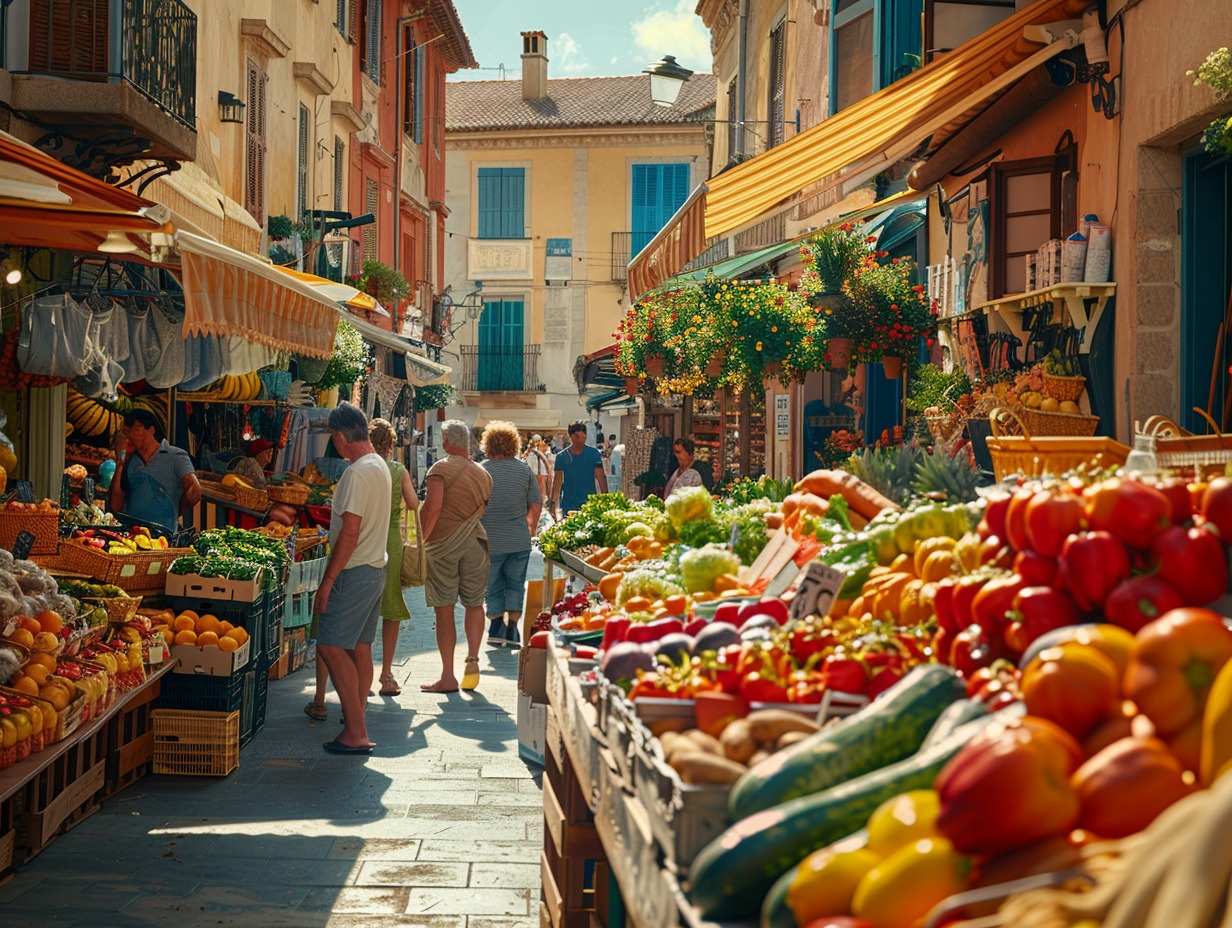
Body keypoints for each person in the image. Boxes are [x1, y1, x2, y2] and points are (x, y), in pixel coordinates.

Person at [312, 402, 391, 754]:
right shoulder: (380, 465)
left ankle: (356, 732)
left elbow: (350, 532)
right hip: (374, 569)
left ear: (343, 438)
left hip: (355, 570)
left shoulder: (357, 472)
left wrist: (327, 582)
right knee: (360, 647)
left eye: (334, 439)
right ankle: (355, 720)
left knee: (329, 645)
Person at [420, 419, 493, 693]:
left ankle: (448, 676)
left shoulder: (439, 469)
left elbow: (433, 508)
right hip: (475, 541)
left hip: (443, 546)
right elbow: (480, 512)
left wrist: (423, 540)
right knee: (475, 604)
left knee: (445, 608)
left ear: (447, 442)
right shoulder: (483, 474)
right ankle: (473, 659)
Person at [479, 421, 542, 648]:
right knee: (516, 584)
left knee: (492, 583)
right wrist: (530, 528)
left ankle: (496, 627)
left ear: (489, 443)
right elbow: (536, 503)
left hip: (490, 540)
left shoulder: (482, 469)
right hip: (518, 539)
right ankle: (513, 629)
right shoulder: (523, 469)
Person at [369, 418, 419, 697]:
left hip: (365, 539)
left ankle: (361, 677)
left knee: (363, 610)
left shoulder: (360, 468)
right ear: (390, 445)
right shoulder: (398, 470)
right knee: (391, 611)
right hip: (391, 543)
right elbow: (412, 503)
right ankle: (386, 674)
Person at [111, 409, 201, 532]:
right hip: (132, 534)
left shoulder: (176, 455)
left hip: (163, 537)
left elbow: (194, 491)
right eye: (129, 431)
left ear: (151, 430)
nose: (131, 436)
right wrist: (121, 459)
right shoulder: (131, 460)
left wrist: (173, 512)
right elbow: (116, 505)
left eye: (138, 429)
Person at [551, 421, 607, 517]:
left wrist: (606, 500)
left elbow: (601, 478)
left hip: (589, 503)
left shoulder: (594, 454)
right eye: (577, 436)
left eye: (583, 436)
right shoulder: (562, 457)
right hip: (569, 504)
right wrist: (552, 505)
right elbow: (557, 481)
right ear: (571, 436)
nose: (580, 439)